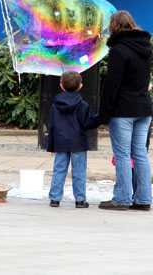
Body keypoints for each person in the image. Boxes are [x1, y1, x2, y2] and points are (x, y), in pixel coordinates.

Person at [97, 11, 153, 211]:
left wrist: (103, 114)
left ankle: (122, 198)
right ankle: (143, 198)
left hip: (123, 110)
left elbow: (111, 85)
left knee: (122, 155)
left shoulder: (119, 50)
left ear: (113, 26)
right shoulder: (145, 47)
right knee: (140, 154)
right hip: (144, 107)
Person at [47, 70, 93, 209]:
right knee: (79, 171)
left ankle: (55, 198)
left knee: (59, 170)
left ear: (61, 86)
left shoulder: (55, 105)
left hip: (60, 142)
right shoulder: (83, 105)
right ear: (80, 86)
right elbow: (87, 124)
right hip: (78, 143)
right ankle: (80, 199)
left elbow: (52, 126)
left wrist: (51, 146)